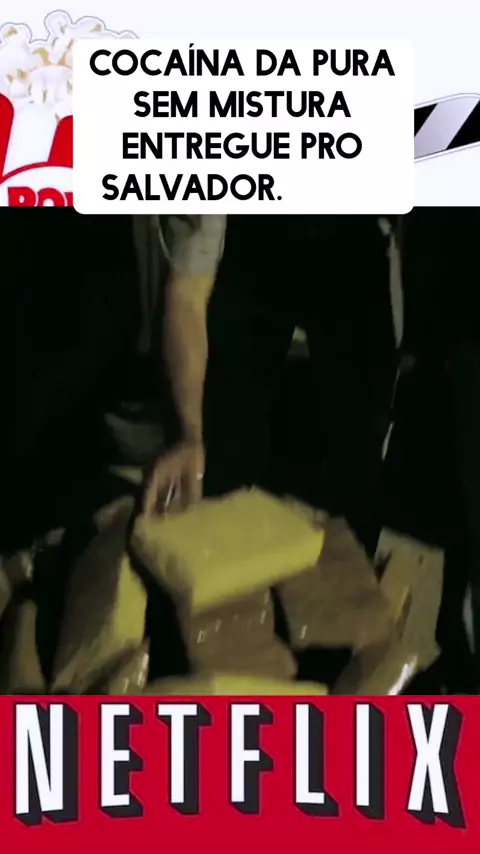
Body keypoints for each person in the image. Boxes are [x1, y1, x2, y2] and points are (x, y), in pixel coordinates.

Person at [145, 214, 398, 554]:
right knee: (218, 448)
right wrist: (189, 434)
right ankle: (214, 562)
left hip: (353, 239)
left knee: (360, 446)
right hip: (249, 250)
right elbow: (187, 292)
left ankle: (352, 569)